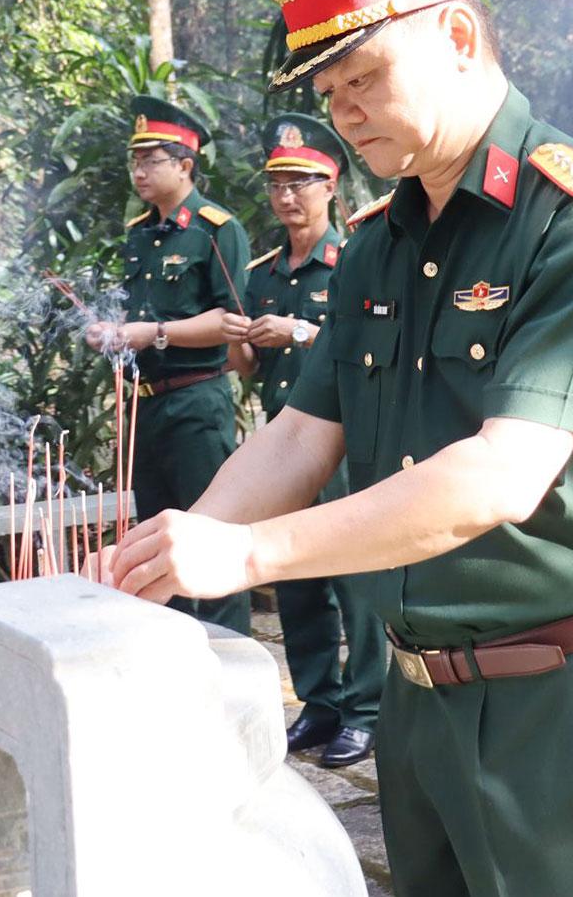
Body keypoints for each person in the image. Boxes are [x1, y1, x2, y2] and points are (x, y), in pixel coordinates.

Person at [110, 0, 573, 893]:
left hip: (559, 704)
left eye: (363, 78)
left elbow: (502, 474)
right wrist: (173, 551)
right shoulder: (378, 239)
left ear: (457, 38)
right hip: (416, 699)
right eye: (329, 93)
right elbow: (299, 432)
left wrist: (245, 555)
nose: (345, 114)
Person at [226, 112, 385, 770]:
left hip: (347, 442)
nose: (288, 196)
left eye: (304, 182)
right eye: (279, 184)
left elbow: (374, 348)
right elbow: (244, 368)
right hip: (284, 441)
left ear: (332, 184)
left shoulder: (356, 261)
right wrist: (242, 336)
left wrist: (301, 332)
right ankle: (319, 701)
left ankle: (367, 708)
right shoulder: (263, 271)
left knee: (353, 575)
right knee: (293, 578)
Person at [84, 94, 252, 634]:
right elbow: (138, 318)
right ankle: (171, 652)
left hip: (197, 400)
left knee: (210, 530)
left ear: (185, 164)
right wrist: (113, 334)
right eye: (135, 161)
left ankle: (230, 657)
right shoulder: (139, 234)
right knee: (153, 539)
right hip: (146, 406)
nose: (139, 172)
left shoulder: (213, 228)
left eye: (152, 160)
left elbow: (232, 322)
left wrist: (151, 334)